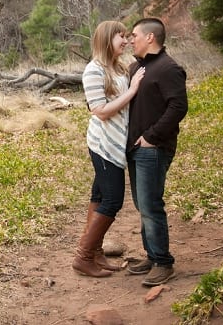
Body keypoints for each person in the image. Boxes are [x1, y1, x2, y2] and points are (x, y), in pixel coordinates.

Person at [73, 20, 145, 277]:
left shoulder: (119, 67)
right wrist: (133, 89)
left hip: (116, 142)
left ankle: (96, 253)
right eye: (120, 37)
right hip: (104, 143)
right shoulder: (94, 70)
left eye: (127, 37)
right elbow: (100, 111)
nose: (125, 41)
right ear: (106, 39)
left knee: (99, 196)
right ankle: (83, 256)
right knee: (113, 200)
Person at [125, 17, 188, 287]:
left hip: (154, 148)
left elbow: (178, 107)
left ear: (150, 38)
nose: (131, 40)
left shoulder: (168, 68)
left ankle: (163, 263)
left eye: (134, 35)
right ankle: (152, 256)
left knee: (151, 205)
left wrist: (151, 137)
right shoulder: (136, 68)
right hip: (135, 149)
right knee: (142, 205)